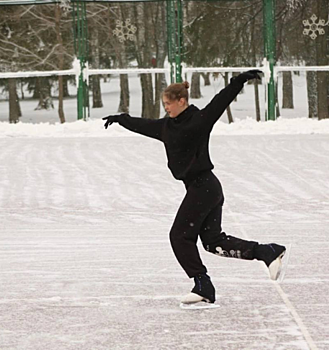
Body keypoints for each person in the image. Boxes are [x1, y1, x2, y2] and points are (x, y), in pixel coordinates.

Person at [102, 70, 286, 305]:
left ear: (182, 101)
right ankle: (267, 252)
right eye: (164, 104)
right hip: (203, 189)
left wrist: (238, 81)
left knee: (179, 236)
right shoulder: (166, 127)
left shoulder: (199, 120)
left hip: (204, 187)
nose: (166, 108)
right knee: (212, 242)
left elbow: (221, 101)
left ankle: (202, 283)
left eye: (169, 103)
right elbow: (143, 125)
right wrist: (121, 119)